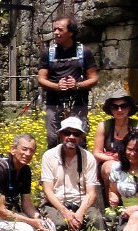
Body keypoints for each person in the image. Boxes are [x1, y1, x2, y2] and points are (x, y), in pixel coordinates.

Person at [39, 117, 110, 231]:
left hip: (81, 204)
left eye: (76, 134)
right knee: (59, 223)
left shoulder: (88, 158)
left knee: (97, 219)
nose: (71, 137)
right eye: (67, 133)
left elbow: (91, 193)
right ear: (61, 135)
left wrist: (80, 213)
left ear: (81, 137)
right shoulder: (49, 156)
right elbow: (48, 191)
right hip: (56, 204)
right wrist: (65, 212)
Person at [36, 16, 99, 148]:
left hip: (78, 103)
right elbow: (41, 79)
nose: (56, 33)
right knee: (53, 139)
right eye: (54, 29)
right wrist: (57, 86)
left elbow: (94, 78)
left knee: (78, 139)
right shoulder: (48, 53)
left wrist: (77, 85)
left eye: (60, 29)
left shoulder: (84, 52)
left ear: (71, 32)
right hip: (54, 102)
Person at [92, 89, 138, 187]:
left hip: (134, 161)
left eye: (123, 106)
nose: (119, 110)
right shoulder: (103, 126)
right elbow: (97, 153)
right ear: (110, 110)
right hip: (110, 161)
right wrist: (113, 158)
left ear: (129, 108)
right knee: (110, 169)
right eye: (115, 107)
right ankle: (111, 196)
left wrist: (127, 159)